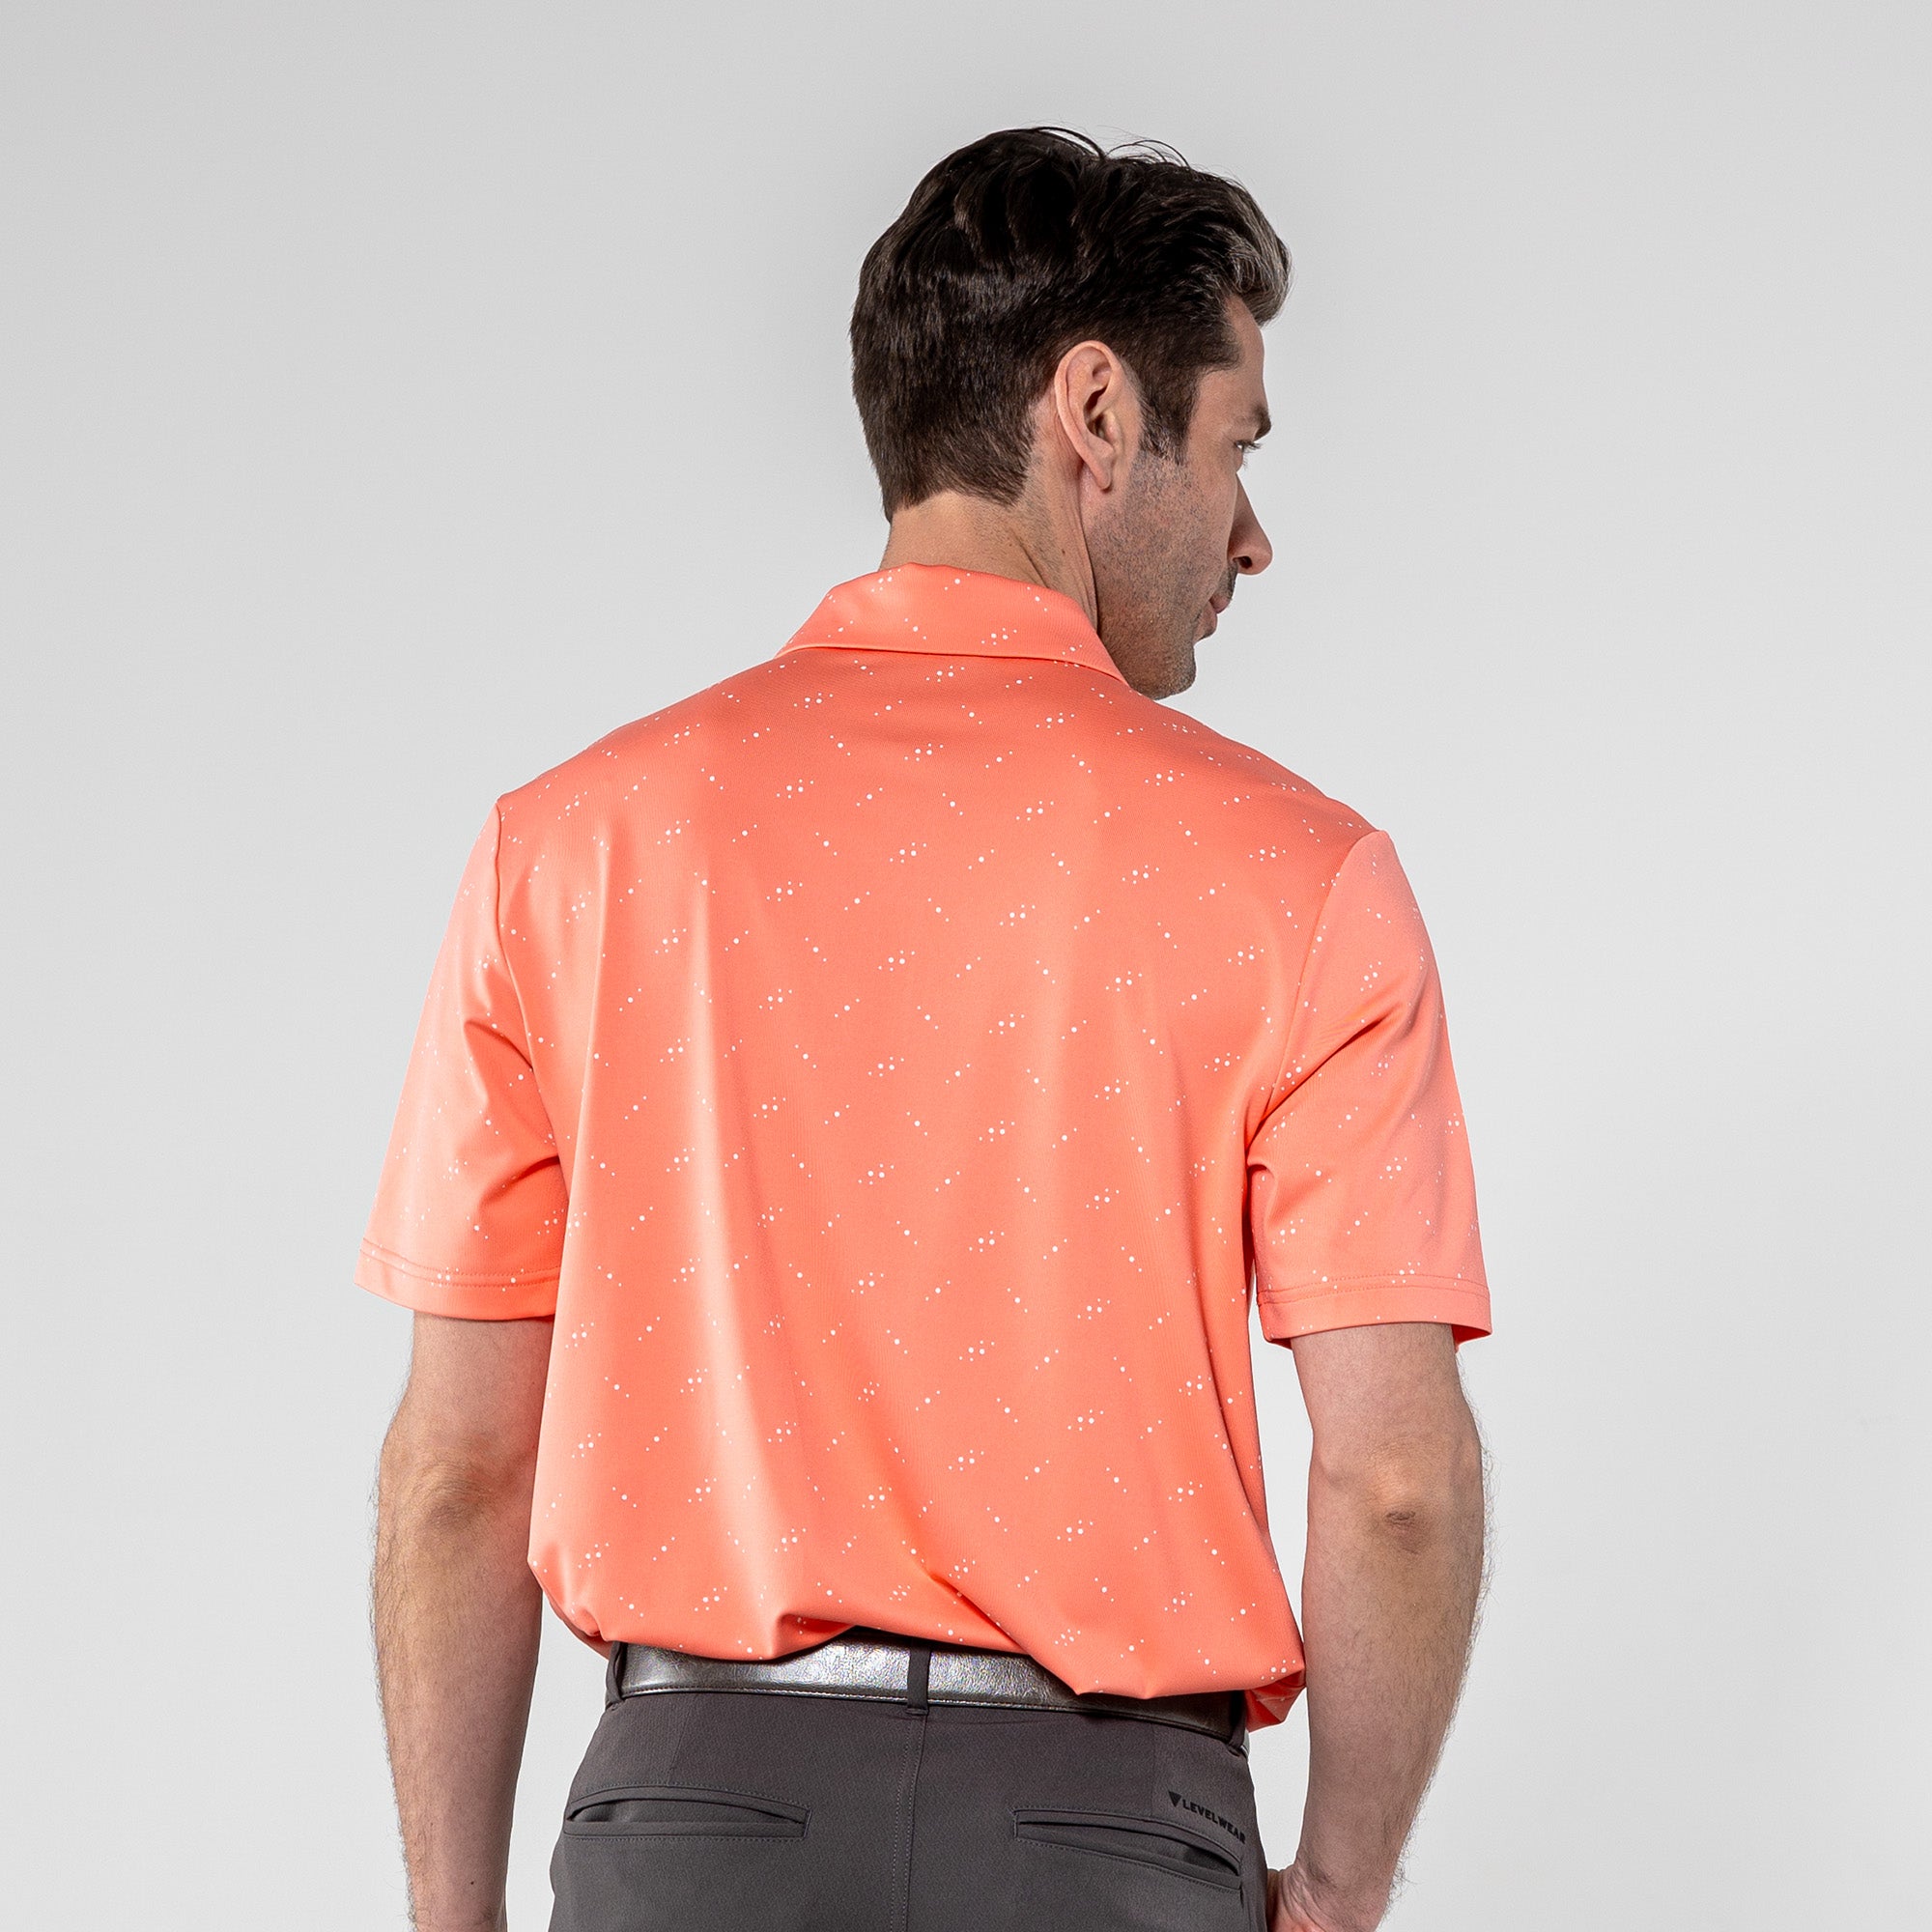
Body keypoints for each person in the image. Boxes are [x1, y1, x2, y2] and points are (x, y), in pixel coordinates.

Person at [361, 127, 1490, 1932]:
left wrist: (450, 1916)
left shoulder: (570, 850)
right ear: (1096, 413)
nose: (1253, 534)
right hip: (1109, 1841)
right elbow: (1398, 1478)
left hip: (691, 1828)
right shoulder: (1301, 876)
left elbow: (458, 1471)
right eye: (1239, 445)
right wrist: (1339, 1890)